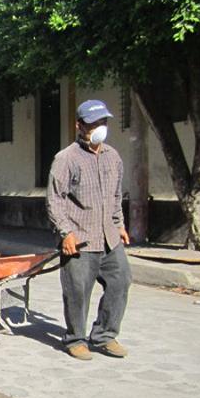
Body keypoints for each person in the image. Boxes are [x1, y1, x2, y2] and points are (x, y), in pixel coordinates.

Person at [46, 99, 132, 361]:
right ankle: (75, 339)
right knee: (77, 292)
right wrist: (65, 233)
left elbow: (116, 196)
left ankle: (104, 335)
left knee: (121, 281)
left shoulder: (113, 157)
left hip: (108, 237)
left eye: (102, 123)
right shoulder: (66, 159)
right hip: (80, 239)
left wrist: (120, 225)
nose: (99, 128)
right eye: (93, 123)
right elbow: (55, 199)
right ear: (79, 125)